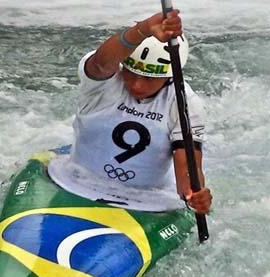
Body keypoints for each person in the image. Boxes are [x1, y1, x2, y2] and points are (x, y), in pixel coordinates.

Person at [49, 9, 212, 214]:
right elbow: (100, 63)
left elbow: (187, 167)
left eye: (149, 78)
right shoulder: (102, 83)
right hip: (74, 181)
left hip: (146, 199)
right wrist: (143, 29)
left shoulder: (185, 104)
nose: (136, 85)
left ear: (169, 76)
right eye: (131, 72)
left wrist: (193, 195)